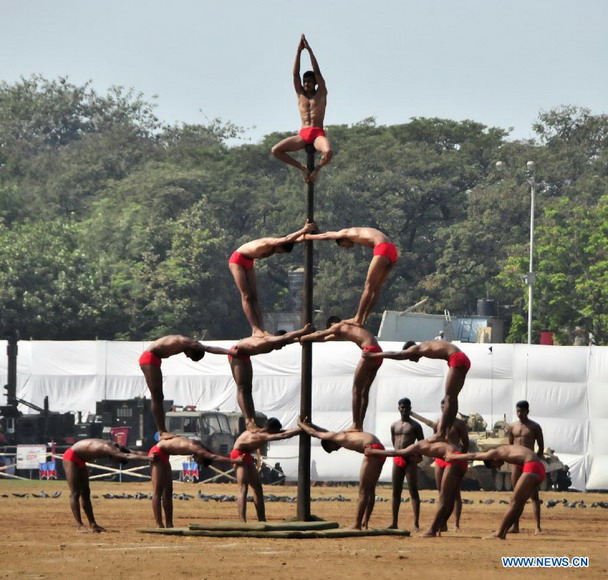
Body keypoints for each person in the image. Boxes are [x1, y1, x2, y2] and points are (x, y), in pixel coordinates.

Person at [363, 340, 470, 440]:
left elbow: (396, 355)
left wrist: (372, 355)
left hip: (456, 358)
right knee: (452, 398)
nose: (412, 360)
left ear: (409, 350)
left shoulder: (416, 348)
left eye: (409, 358)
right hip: (463, 359)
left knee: (448, 398)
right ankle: (446, 432)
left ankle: (441, 433)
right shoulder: (426, 346)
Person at [229, 221, 316, 337]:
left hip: (249, 262)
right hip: (237, 260)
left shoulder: (280, 245)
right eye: (281, 251)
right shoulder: (271, 242)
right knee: (246, 295)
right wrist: (303, 229)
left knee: (254, 297)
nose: (278, 253)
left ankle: (261, 329)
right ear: (279, 245)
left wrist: (309, 233)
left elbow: (294, 240)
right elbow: (288, 238)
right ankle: (255, 329)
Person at [365, 438, 467, 537]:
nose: (416, 462)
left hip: (454, 460)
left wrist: (373, 451)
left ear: (413, 455)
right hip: (458, 458)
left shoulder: (416, 447)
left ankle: (432, 530)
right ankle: (440, 525)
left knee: (444, 498)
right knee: (449, 497)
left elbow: (395, 453)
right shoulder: (429, 445)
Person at [298, 418, 386, 530]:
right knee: (370, 489)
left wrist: (300, 424)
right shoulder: (341, 434)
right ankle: (365, 523)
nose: (337, 450)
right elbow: (324, 431)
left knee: (363, 491)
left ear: (330, 442)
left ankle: (357, 524)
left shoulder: (336, 437)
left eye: (333, 449)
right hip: (379, 448)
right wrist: (311, 424)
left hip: (372, 451)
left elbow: (314, 433)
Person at [139, 335, 234, 437]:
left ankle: (162, 430)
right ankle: (162, 431)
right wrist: (230, 352)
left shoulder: (188, 343)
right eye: (190, 355)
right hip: (149, 358)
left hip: (154, 359)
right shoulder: (191, 343)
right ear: (194, 349)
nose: (187, 356)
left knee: (158, 396)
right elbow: (209, 349)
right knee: (157, 396)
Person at [299, 316, 383, 431]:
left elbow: (320, 335)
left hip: (369, 352)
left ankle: (355, 425)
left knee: (356, 390)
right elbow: (324, 338)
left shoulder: (338, 326)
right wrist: (301, 338)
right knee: (364, 391)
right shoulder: (348, 327)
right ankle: (359, 425)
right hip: (378, 354)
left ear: (332, 324)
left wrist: (304, 337)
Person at [445, 444, 546, 540]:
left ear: (493, 459)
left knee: (514, 501)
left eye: (495, 465)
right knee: (519, 503)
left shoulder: (495, 452)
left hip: (532, 466)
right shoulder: (506, 449)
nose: (498, 467)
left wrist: (453, 457)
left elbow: (474, 455)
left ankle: (499, 533)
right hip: (537, 467)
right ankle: (503, 531)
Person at [304, 227, 398, 327]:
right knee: (376, 288)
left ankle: (358, 318)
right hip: (393, 251)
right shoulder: (354, 233)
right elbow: (328, 232)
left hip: (382, 248)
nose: (347, 248)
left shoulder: (346, 232)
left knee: (368, 287)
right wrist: (317, 231)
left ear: (343, 239)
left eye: (344, 245)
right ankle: (363, 319)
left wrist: (307, 236)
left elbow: (326, 236)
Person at [228, 324, 314, 432]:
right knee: (242, 388)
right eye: (282, 345)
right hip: (236, 353)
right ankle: (248, 422)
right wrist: (303, 331)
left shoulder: (275, 342)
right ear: (277, 339)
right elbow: (285, 338)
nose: (281, 348)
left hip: (244, 355)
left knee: (248, 389)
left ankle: (252, 420)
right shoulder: (270, 340)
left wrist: (301, 338)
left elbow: (287, 339)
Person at [271, 34, 332, 182]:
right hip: (303, 133)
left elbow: (317, 72)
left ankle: (316, 169)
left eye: (310, 82)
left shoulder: (321, 93)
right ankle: (302, 168)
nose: (306, 84)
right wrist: (298, 51)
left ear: (315, 83)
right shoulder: (300, 95)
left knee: (328, 151)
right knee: (275, 150)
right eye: (305, 82)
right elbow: (295, 74)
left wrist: (309, 51)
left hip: (317, 133)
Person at [149, 435, 240, 529]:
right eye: (199, 462)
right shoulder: (198, 449)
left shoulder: (198, 447)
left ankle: (169, 524)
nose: (196, 462)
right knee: (158, 490)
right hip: (157, 453)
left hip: (164, 454)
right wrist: (234, 460)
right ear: (202, 456)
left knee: (168, 491)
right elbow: (214, 456)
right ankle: (159, 524)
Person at [63, 438, 150, 533]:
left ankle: (93, 524)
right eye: (118, 460)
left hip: (81, 460)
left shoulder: (116, 448)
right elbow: (126, 455)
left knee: (86, 492)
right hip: (71, 457)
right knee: (75, 493)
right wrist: (148, 459)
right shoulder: (108, 448)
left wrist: (151, 455)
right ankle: (79, 525)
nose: (115, 461)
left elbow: (134, 453)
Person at [411, 400, 469, 532]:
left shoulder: (459, 424)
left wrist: (460, 457)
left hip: (454, 458)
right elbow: (436, 439)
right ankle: (443, 523)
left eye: (447, 406)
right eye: (442, 406)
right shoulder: (437, 423)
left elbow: (465, 442)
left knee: (455, 493)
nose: (444, 409)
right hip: (440, 460)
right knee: (441, 493)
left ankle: (456, 523)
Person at [231, 418, 301, 522]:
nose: (276, 433)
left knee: (257, 488)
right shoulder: (258, 435)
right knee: (243, 488)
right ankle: (242, 521)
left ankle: (262, 520)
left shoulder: (262, 431)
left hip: (247, 455)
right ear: (270, 429)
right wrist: (302, 430)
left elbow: (282, 432)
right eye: (275, 431)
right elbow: (282, 435)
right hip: (237, 455)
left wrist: (299, 428)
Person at [506, 400, 544, 534]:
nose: (519, 413)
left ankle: (537, 526)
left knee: (534, 495)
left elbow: (540, 445)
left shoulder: (534, 427)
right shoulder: (513, 427)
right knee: (516, 496)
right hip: (517, 463)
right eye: (518, 411)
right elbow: (510, 446)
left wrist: (536, 458)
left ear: (528, 411)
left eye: (522, 411)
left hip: (529, 463)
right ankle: (515, 526)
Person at [389, 398, 424, 530]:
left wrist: (417, 457)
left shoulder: (415, 426)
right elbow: (394, 441)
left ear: (410, 409)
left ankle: (416, 523)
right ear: (399, 408)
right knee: (395, 491)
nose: (404, 410)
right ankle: (394, 522)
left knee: (413, 490)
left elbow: (421, 443)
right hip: (398, 459)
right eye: (402, 407)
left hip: (410, 461)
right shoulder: (394, 425)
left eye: (407, 408)